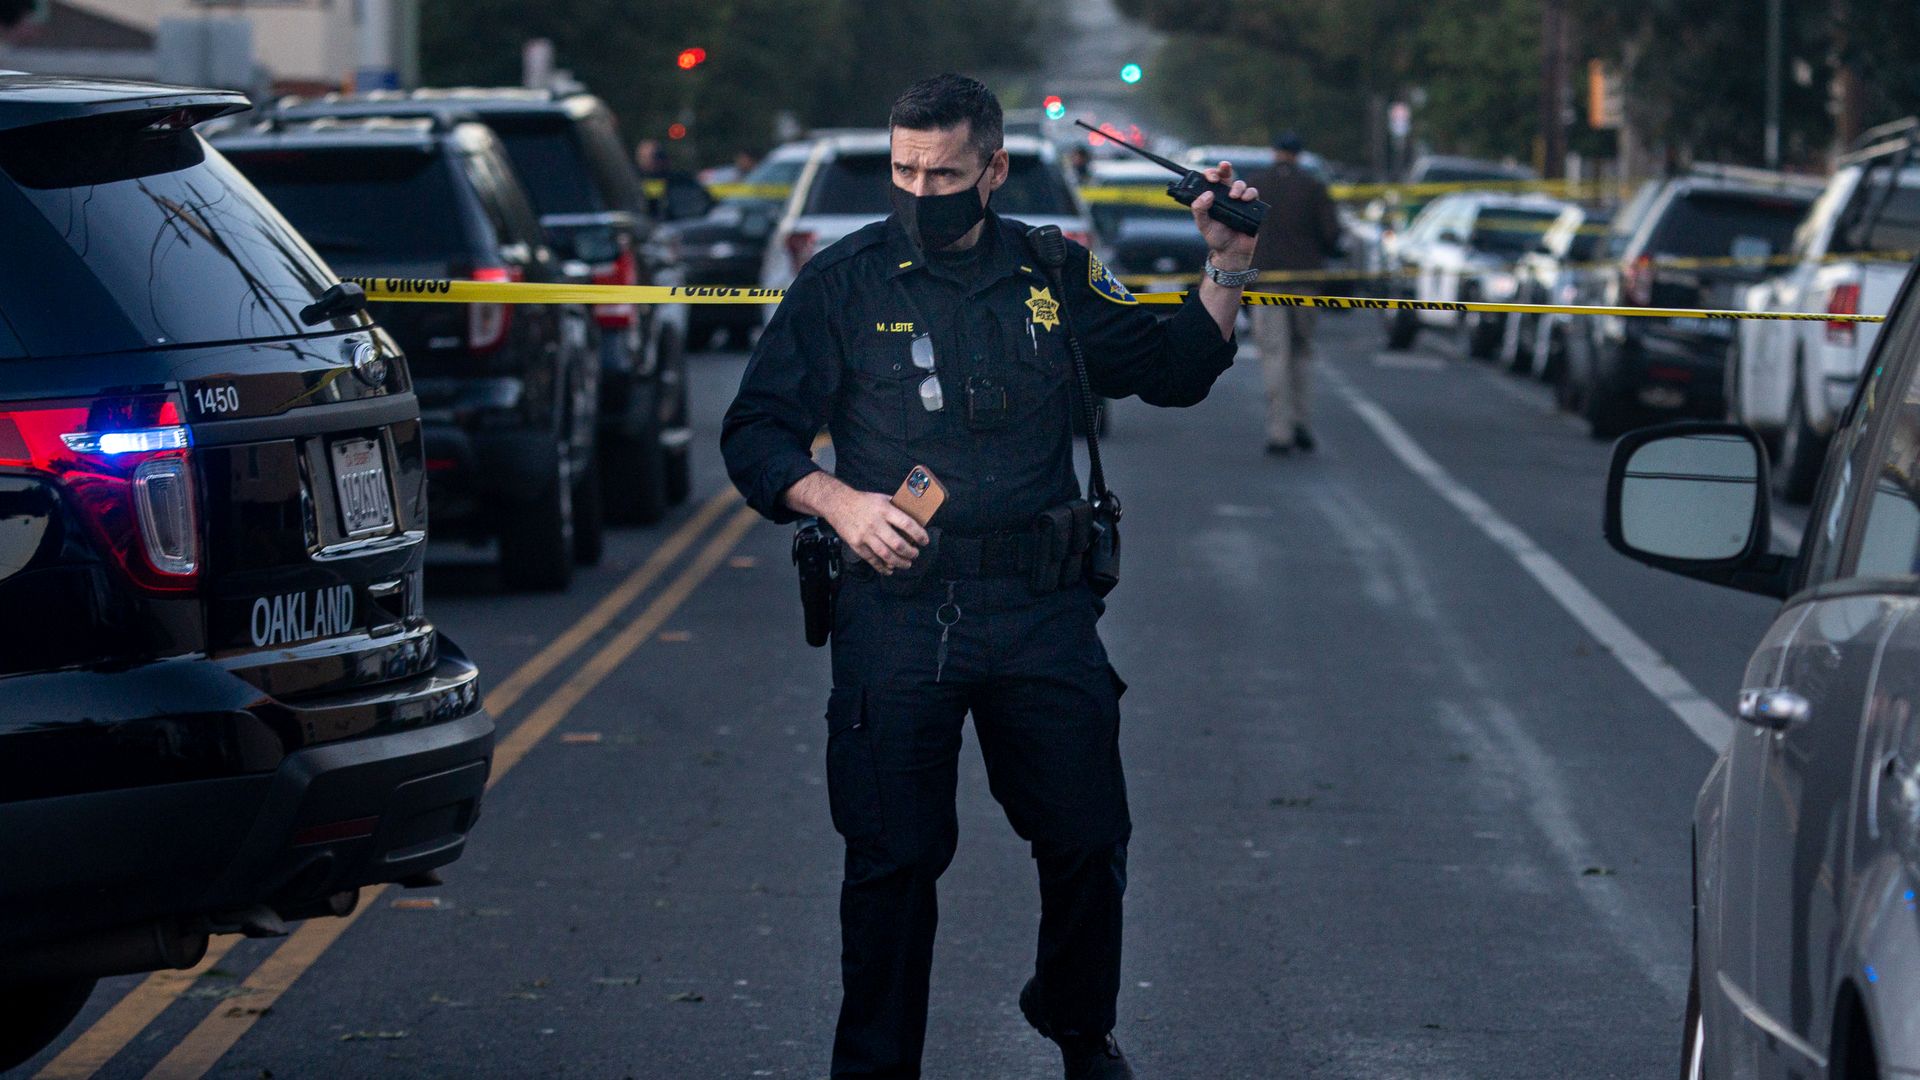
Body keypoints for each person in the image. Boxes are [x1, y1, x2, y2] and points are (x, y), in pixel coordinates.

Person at [722, 73, 1259, 1080]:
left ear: (994, 171)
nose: (922, 190)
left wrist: (1226, 262)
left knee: (1090, 834)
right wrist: (837, 502)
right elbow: (754, 433)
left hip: (1038, 607)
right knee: (893, 862)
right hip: (897, 608)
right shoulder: (842, 282)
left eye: (945, 172)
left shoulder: (1054, 273)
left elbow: (1177, 369)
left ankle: (1077, 1019)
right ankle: (876, 1069)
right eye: (904, 170)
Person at [1244, 131, 1341, 455]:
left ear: (1273, 151)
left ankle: (1279, 431)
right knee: (1302, 352)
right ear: (1299, 154)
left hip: (1266, 282)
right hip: (1306, 281)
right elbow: (1332, 235)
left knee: (1274, 355)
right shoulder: (1314, 187)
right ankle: (1302, 421)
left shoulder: (1257, 185)